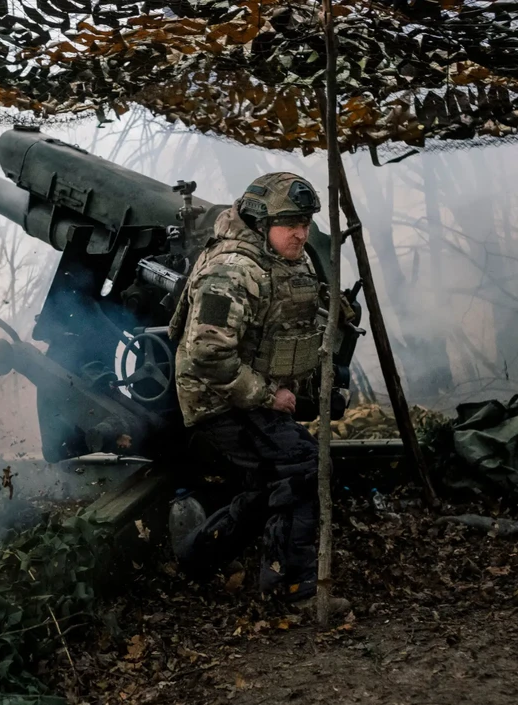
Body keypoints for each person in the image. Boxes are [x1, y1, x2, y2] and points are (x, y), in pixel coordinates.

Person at [167, 172, 350, 613]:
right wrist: (270, 396)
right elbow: (206, 356)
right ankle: (294, 588)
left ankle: (196, 557)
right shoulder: (233, 270)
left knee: (269, 483)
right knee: (305, 465)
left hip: (250, 391)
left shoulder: (289, 258)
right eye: (290, 223)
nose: (301, 233)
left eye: (305, 223)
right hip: (218, 399)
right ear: (260, 220)